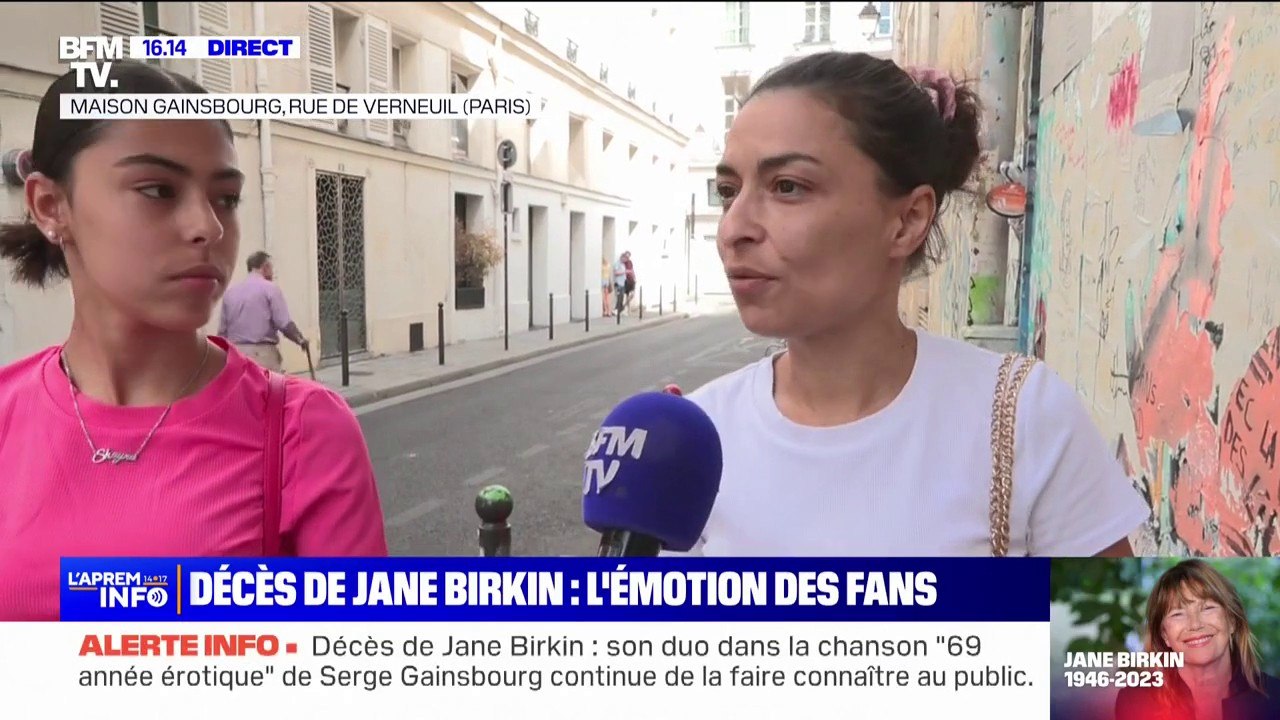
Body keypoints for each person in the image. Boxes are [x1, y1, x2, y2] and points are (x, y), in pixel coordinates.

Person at [668, 51, 1150, 557]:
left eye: (788, 187)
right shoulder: (698, 436)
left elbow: (1112, 635)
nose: (733, 229)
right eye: (728, 190)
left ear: (907, 221)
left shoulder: (1021, 416)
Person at [0, 62, 388, 621]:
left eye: (226, 198)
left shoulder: (305, 433)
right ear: (49, 206)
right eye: (157, 189)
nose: (207, 225)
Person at [1115, 560, 1280, 720]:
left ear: (1232, 621)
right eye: (1177, 614)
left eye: (1207, 608)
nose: (1195, 624)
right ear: (1165, 635)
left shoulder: (1275, 696)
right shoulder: (1135, 701)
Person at [219, 250, 310, 372]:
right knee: (268, 390)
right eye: (271, 267)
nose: (273, 272)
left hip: (236, 354)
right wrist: (300, 340)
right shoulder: (271, 289)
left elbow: (222, 332)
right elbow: (284, 323)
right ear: (265, 267)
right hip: (263, 355)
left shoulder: (230, 292)